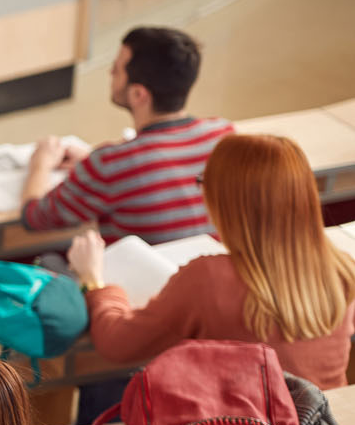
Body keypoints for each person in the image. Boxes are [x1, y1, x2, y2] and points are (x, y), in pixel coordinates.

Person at [68, 134, 355, 390]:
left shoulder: (208, 277)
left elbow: (117, 344)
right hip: (324, 424)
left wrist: (94, 281)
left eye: (203, 182)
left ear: (226, 201)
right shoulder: (342, 269)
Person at [21, 26, 232, 244]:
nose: (110, 73)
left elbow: (35, 218)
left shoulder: (109, 164)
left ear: (138, 94)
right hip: (208, 263)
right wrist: (90, 165)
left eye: (116, 70)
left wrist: (40, 165)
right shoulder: (224, 136)